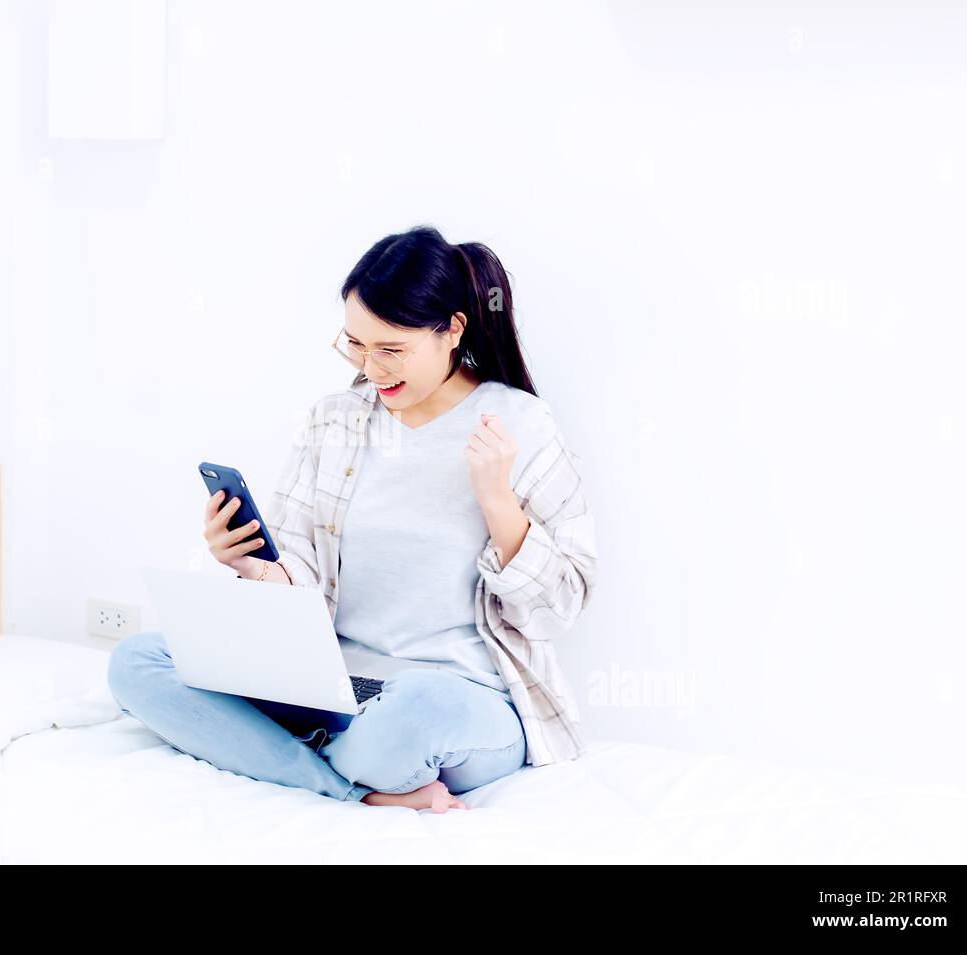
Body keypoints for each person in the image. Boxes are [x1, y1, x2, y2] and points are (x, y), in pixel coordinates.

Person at [108, 224, 599, 812]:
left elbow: (559, 607)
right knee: (137, 661)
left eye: (392, 350)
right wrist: (251, 563)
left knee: (414, 717)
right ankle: (351, 789)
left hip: (457, 696)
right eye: (355, 345)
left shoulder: (521, 425)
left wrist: (499, 504)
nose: (371, 368)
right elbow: (302, 582)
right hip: (331, 686)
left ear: (453, 331)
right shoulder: (333, 422)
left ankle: (303, 759)